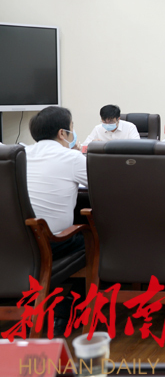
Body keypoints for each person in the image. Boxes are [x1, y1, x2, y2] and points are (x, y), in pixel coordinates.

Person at [25, 106, 88, 336]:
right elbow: (105, 184)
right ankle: (67, 311)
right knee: (92, 239)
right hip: (51, 243)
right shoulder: (71, 157)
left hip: (15, 244)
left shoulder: (19, 154)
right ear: (62, 133)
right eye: (71, 128)